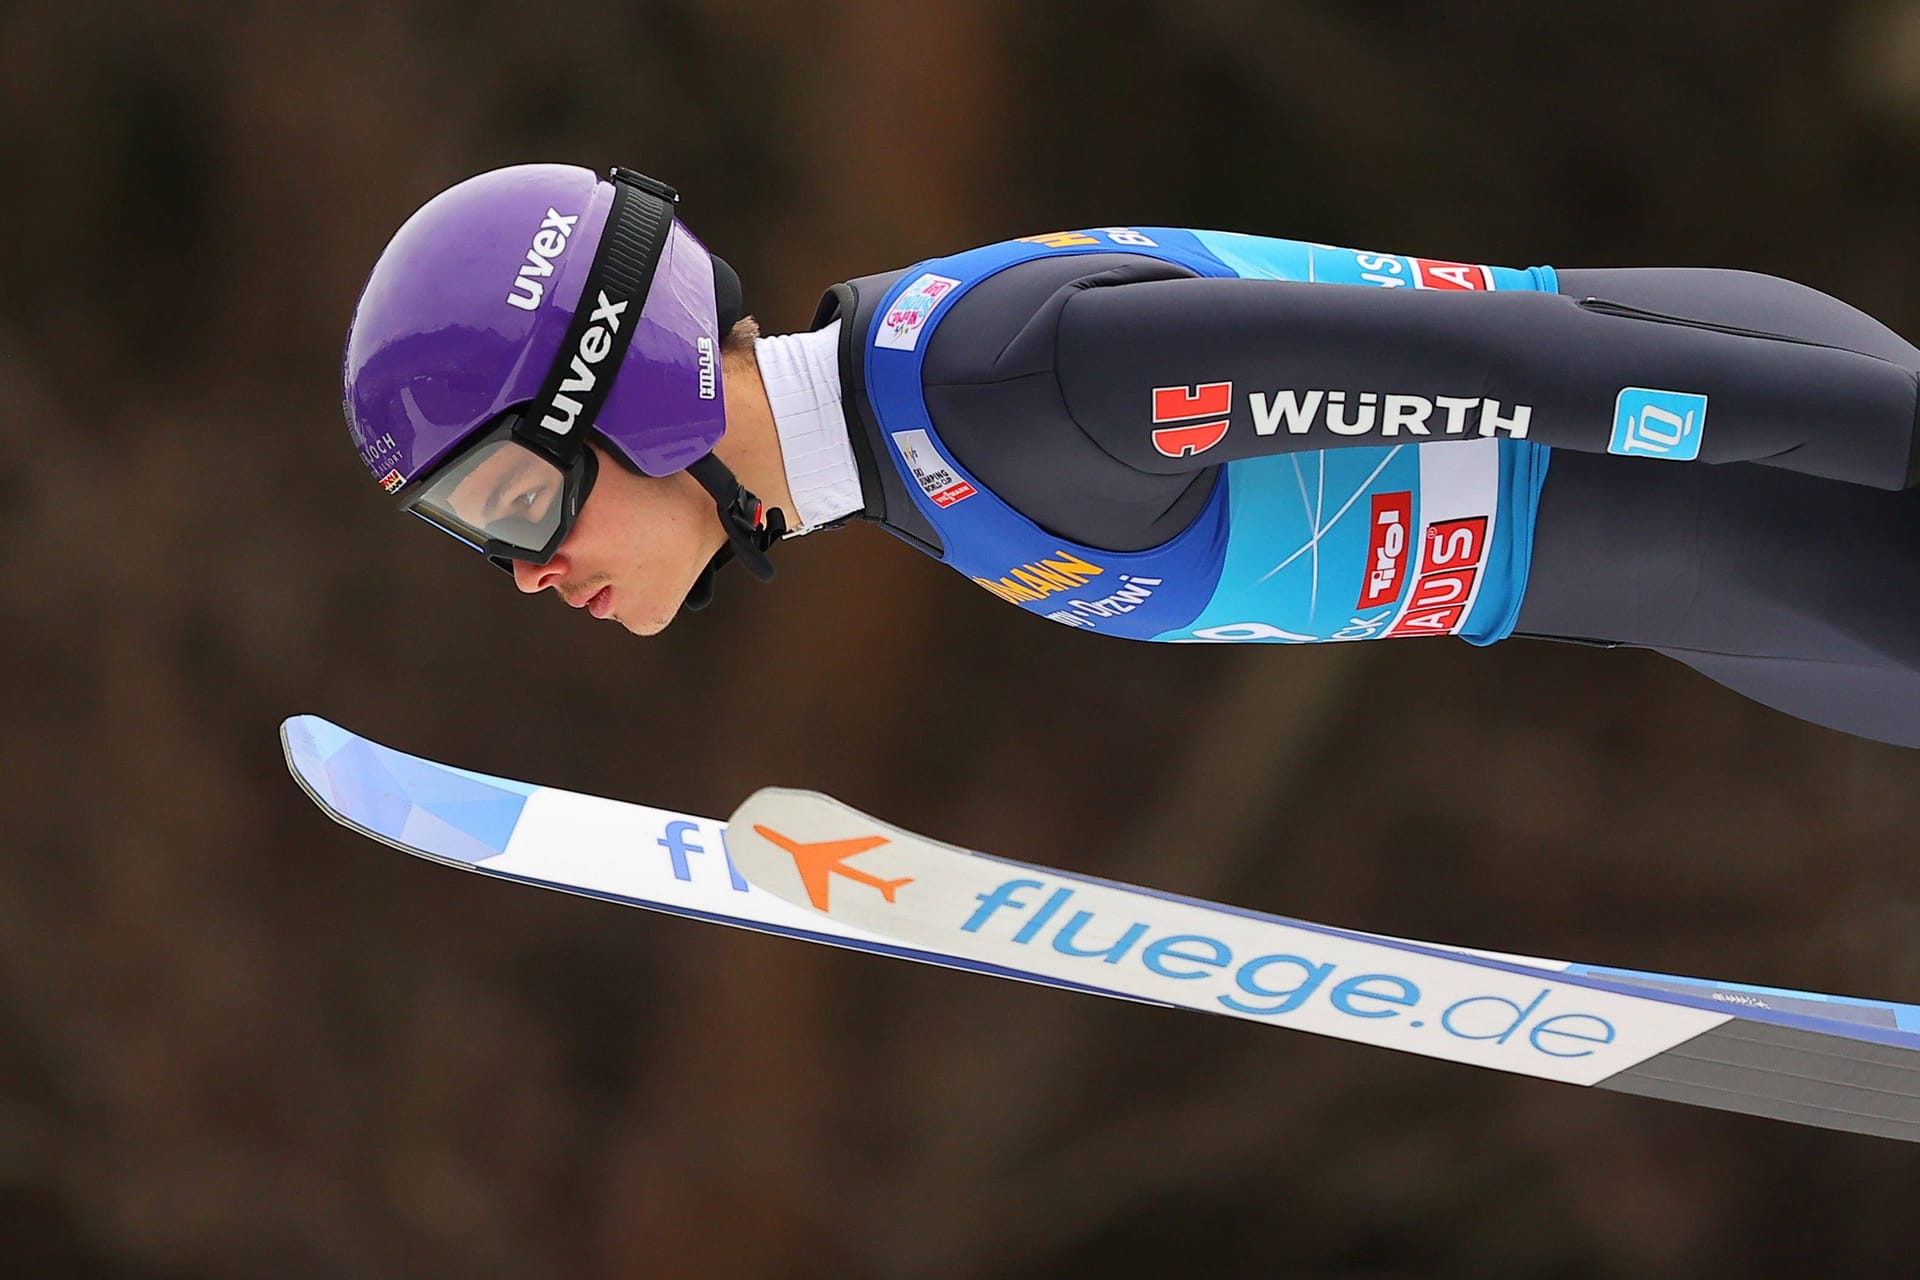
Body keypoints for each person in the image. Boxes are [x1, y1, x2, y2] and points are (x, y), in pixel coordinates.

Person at [342, 163, 1920, 748]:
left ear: (636, 395)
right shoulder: (914, 442)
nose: (532, 570)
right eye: (475, 536)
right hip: (1733, 596)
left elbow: (1519, 365)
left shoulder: (1013, 382)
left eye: (512, 499)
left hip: (1783, 480)